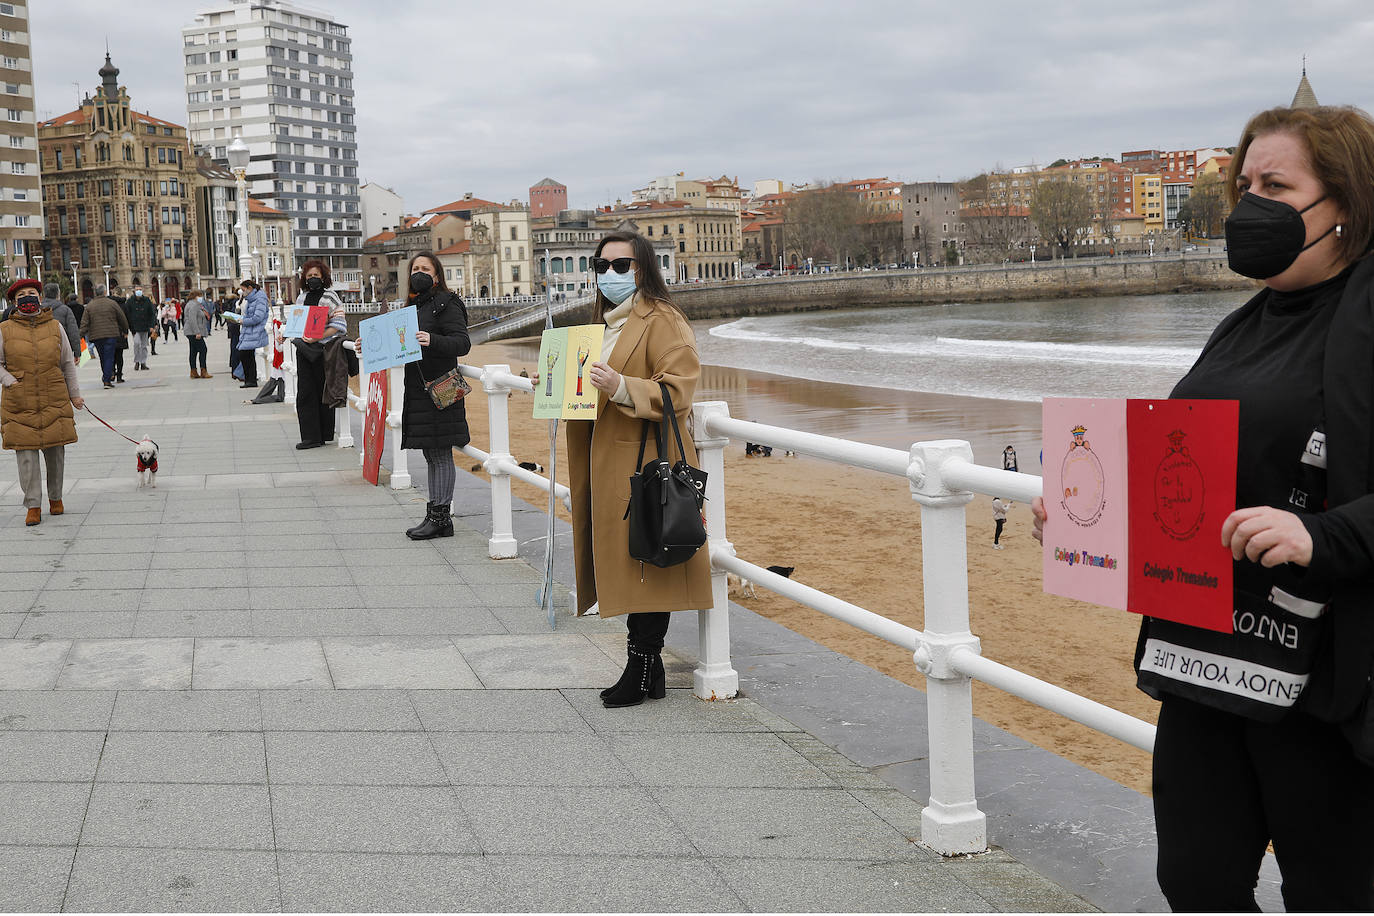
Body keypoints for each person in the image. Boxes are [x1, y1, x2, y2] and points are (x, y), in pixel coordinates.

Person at [1032, 104, 1374, 911]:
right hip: (1204, 660)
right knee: (1195, 881)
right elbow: (1191, 465)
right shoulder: (1241, 324)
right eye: (1244, 185)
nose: (1250, 204)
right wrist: (1094, 517)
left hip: (1327, 677)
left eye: (1275, 186)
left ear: (1347, 205)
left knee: (1333, 893)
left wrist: (1323, 535)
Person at [565, 230, 711, 708]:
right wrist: (557, 383)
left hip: (645, 461)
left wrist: (622, 386)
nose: (609, 274)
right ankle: (647, 670)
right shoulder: (602, 323)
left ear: (643, 269)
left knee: (648, 562)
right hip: (608, 461)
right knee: (633, 563)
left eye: (620, 265)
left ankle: (643, 668)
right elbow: (589, 385)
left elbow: (680, 389)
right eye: (601, 266)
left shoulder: (664, 319)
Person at [0, 279, 83, 526]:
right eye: (21, 295)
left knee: (56, 452)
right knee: (26, 455)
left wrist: (74, 394)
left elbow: (67, 363)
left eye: (31, 293)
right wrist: (10, 381)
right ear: (14, 302)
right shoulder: (4, 329)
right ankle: (33, 504)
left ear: (39, 297)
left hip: (53, 396)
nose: (27, 297)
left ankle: (56, 497)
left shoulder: (56, 326)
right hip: (19, 400)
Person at [399, 251, 470, 538]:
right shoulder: (413, 307)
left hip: (441, 390)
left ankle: (441, 517)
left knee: (440, 454)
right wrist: (368, 346)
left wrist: (432, 340)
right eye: (415, 268)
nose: (419, 273)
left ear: (437, 275)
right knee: (431, 453)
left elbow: (462, 343)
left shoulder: (447, 303)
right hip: (420, 391)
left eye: (425, 269)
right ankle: (435, 514)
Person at [290, 260, 347, 440]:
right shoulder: (301, 298)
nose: (313, 278)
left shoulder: (330, 297)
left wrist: (318, 337)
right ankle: (310, 436)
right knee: (305, 392)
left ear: (323, 277)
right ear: (304, 278)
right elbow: (296, 322)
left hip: (324, 350)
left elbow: (339, 325)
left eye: (316, 275)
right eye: (309, 276)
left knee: (323, 391)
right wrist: (287, 333)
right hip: (304, 350)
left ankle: (325, 434)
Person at [78, 285, 129, 389]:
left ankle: (106, 376)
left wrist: (80, 335)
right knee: (109, 356)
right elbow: (122, 318)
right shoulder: (112, 303)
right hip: (111, 334)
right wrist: (125, 330)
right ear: (105, 292)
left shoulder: (90, 306)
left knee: (103, 357)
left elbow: (84, 322)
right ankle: (106, 380)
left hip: (96, 336)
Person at [235, 278, 269, 389]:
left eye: (244, 290)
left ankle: (251, 380)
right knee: (246, 355)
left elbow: (258, 317)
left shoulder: (259, 298)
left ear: (250, 288)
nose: (243, 292)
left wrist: (243, 321)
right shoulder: (252, 299)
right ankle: (249, 380)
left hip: (254, 331)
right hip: (249, 331)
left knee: (245, 354)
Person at [182, 290, 213, 379]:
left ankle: (193, 371)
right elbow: (192, 319)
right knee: (203, 349)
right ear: (196, 296)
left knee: (193, 351)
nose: (201, 298)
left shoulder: (193, 304)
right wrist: (197, 332)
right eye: (200, 296)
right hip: (193, 332)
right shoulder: (194, 305)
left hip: (190, 331)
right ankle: (203, 371)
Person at [125, 286, 156, 371]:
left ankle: (143, 362)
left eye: (140, 290)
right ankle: (137, 361)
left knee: (144, 345)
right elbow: (127, 314)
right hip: (135, 327)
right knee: (137, 344)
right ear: (134, 291)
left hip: (145, 326)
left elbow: (152, 314)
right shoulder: (130, 301)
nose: (139, 291)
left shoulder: (147, 300)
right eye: (137, 290)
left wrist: (152, 325)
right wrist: (130, 327)